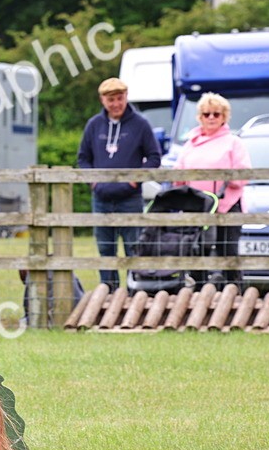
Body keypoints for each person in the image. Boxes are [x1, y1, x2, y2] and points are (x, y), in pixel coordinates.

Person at [77, 77, 162, 292]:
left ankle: (136, 292)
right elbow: (83, 158)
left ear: (126, 97)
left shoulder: (140, 124)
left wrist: (135, 180)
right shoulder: (94, 125)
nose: (116, 104)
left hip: (129, 198)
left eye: (120, 98)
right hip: (101, 198)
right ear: (102, 100)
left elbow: (154, 157)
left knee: (134, 247)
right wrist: (93, 182)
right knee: (106, 249)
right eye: (111, 99)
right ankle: (108, 292)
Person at [173, 93, 250, 285]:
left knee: (228, 251)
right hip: (197, 205)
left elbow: (243, 173)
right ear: (200, 117)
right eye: (207, 114)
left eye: (216, 114)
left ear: (224, 116)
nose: (211, 118)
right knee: (197, 250)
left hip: (227, 205)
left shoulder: (234, 142)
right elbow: (177, 173)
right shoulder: (190, 143)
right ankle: (199, 293)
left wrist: (226, 177)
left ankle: (234, 292)